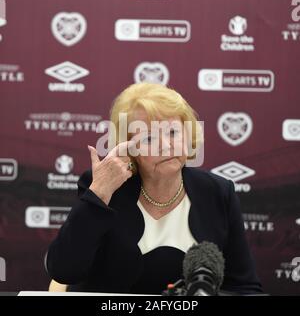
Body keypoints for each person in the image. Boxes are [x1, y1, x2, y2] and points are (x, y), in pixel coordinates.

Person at [45, 83, 262, 294]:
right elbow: (64, 270)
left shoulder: (217, 192)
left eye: (173, 133)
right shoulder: (105, 187)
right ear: (129, 148)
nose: (166, 146)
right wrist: (99, 193)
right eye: (149, 138)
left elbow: (244, 287)